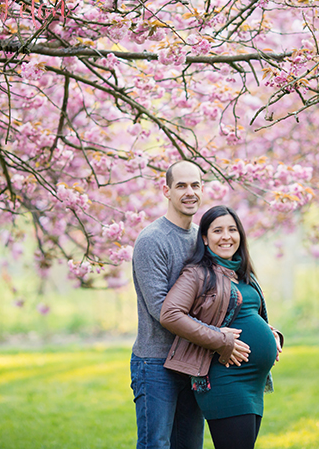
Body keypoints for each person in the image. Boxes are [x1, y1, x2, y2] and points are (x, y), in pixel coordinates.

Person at [130, 161, 249, 449]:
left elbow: (223, 295)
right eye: (181, 185)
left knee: (189, 445)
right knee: (155, 445)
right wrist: (219, 339)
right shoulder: (152, 241)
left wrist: (264, 328)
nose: (189, 192)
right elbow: (162, 312)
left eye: (195, 185)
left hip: (194, 361)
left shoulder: (203, 238)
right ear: (166, 191)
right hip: (156, 362)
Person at [160, 205, 283, 449]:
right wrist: (220, 339)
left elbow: (245, 314)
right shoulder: (197, 274)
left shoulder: (241, 272)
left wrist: (272, 334)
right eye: (217, 230)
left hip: (252, 383)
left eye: (232, 229)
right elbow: (170, 314)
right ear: (205, 238)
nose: (226, 236)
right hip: (225, 379)